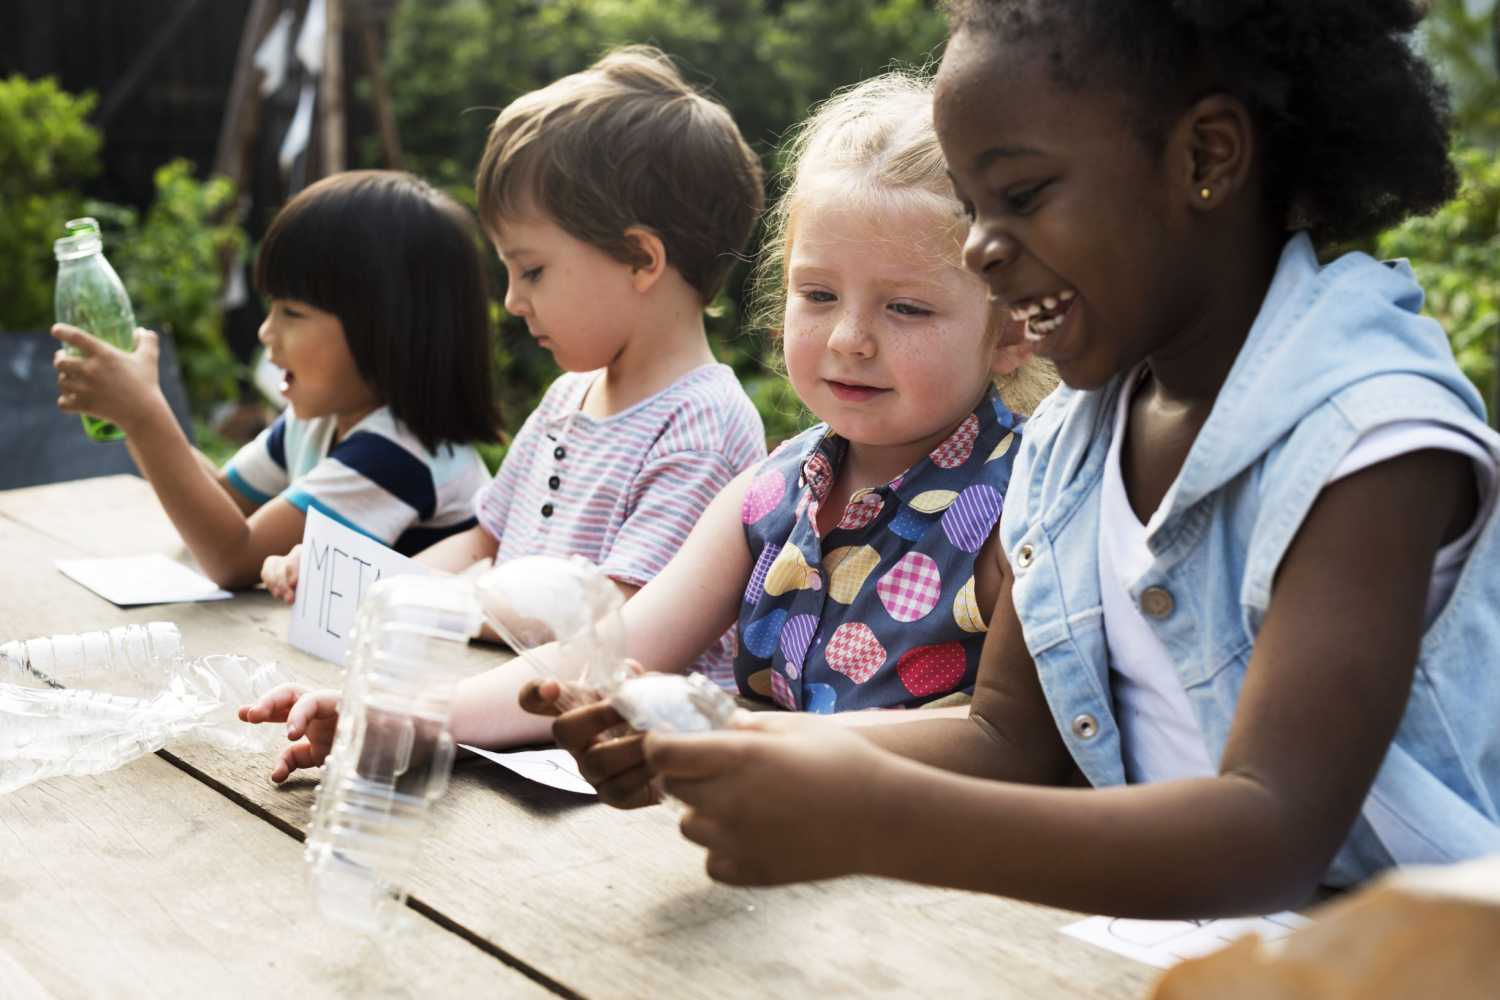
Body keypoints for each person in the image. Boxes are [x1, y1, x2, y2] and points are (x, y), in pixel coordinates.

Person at [640, 1, 1500, 918]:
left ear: (1206, 158)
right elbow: (1007, 740)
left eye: (1022, 195)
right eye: (972, 208)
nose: (979, 247)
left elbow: (1273, 838)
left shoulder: (1369, 441)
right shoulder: (1073, 441)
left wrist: (869, 816)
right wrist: (719, 748)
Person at [241, 70, 1055, 789]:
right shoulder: (771, 490)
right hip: (762, 852)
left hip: (946, 898)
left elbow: (1011, 742)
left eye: (905, 307)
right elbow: (616, 647)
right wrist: (408, 715)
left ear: (1015, 326)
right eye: (817, 295)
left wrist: (747, 738)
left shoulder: (1025, 504)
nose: (848, 338)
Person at [260, 46, 769, 686]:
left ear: (641, 259)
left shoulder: (703, 424)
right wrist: (361, 577)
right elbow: (484, 544)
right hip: (508, 703)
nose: (511, 300)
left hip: (613, 748)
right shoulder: (565, 400)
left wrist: (429, 602)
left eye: (532, 269)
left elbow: (610, 612)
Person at [52, 170, 497, 587]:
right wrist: (133, 410)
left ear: (388, 332)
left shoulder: (400, 455)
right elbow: (221, 502)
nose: (266, 332)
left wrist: (143, 415)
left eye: (292, 313)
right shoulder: (320, 420)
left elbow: (233, 557)